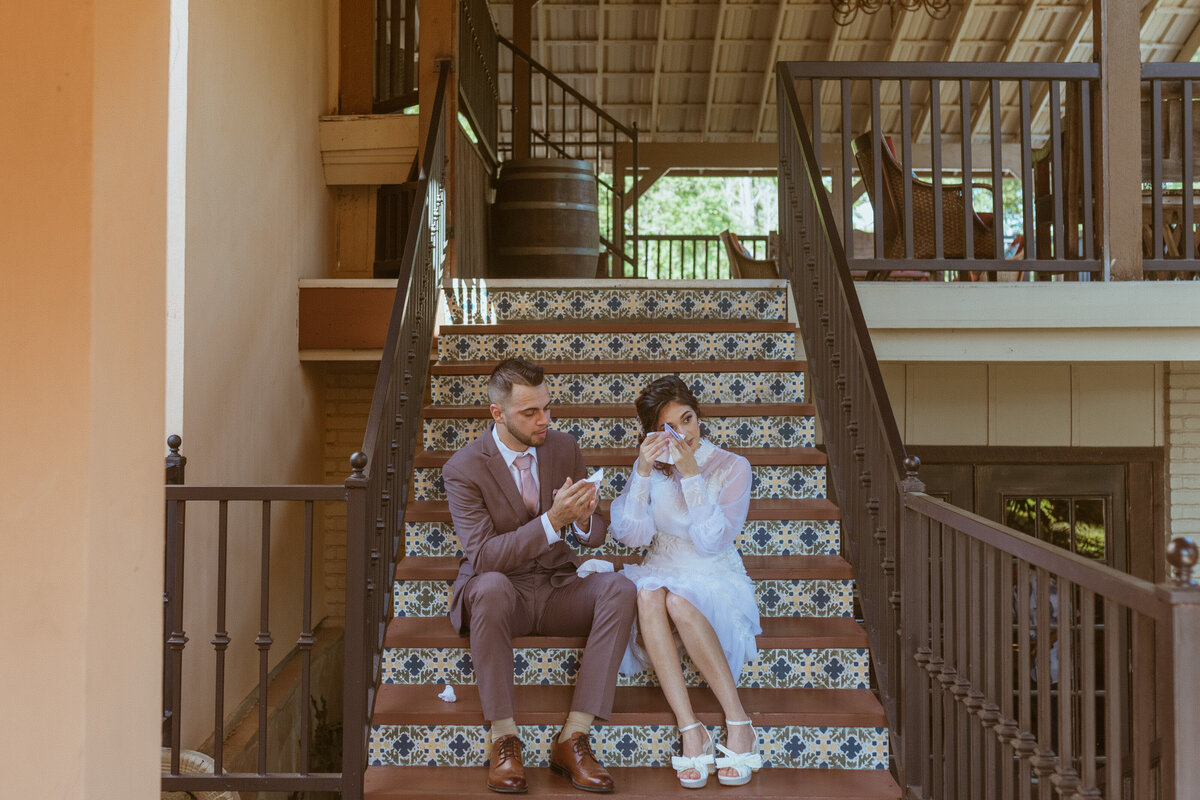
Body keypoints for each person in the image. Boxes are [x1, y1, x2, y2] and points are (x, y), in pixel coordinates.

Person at [443, 357, 637, 795]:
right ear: (498, 414)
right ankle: (504, 737)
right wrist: (553, 520)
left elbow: (595, 532)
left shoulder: (563, 446)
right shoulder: (463, 468)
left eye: (547, 408)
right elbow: (486, 556)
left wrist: (585, 520)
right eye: (530, 413)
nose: (543, 420)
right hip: (503, 594)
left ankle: (573, 738)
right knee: (488, 586)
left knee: (621, 588)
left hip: (556, 589)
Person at [608, 375, 763, 789]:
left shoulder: (733, 466)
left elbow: (713, 541)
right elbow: (631, 535)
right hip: (660, 571)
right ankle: (690, 729)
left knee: (675, 600)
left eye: (688, 419)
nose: (684, 433)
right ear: (655, 434)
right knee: (648, 591)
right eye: (670, 427)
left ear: (699, 416)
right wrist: (642, 470)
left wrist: (691, 474)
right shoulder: (653, 470)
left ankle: (739, 721)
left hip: (710, 576)